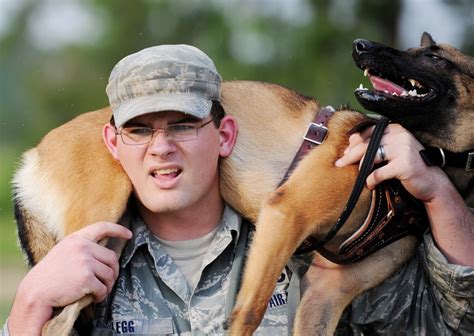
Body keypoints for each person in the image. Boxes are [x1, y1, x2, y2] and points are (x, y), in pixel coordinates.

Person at [4, 44, 473, 335]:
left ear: (225, 134)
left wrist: (437, 189)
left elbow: (454, 324)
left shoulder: (315, 247)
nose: (161, 148)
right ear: (112, 142)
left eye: (184, 125)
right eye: (140, 130)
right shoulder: (89, 267)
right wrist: (30, 306)